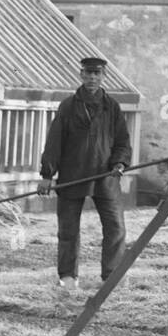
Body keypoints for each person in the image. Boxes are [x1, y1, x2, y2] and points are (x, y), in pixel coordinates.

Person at [37, 56, 132, 289]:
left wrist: (119, 164)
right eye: (88, 74)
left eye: (96, 74)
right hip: (73, 175)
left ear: (103, 77)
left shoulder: (112, 107)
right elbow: (54, 142)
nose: (92, 78)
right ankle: (68, 278)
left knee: (116, 227)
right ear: (81, 75)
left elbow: (122, 142)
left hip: (105, 177)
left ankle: (111, 277)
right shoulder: (68, 106)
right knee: (68, 229)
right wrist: (47, 175)